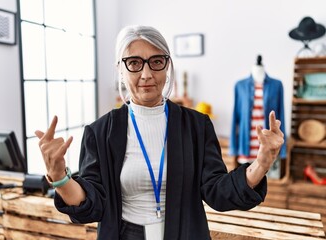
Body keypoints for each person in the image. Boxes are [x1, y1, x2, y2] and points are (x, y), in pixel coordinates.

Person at [35, 25, 284, 240]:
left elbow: (217, 192)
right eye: (134, 63)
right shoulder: (100, 132)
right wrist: (59, 177)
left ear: (167, 66)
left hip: (186, 233)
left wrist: (262, 163)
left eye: (156, 62)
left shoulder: (196, 126)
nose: (146, 74)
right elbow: (93, 205)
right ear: (120, 70)